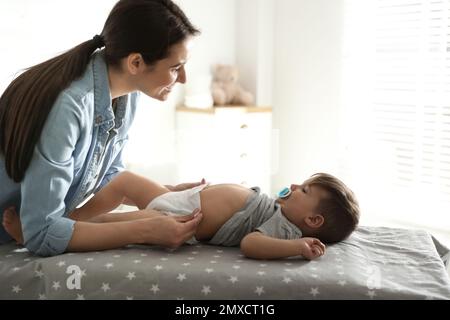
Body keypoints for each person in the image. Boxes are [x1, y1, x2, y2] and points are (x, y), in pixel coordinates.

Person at [0, 0, 205, 256]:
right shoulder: (69, 107)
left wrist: (164, 195)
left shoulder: (125, 93)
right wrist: (146, 231)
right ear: (136, 63)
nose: (184, 79)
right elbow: (42, 233)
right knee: (145, 221)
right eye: (175, 68)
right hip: (16, 232)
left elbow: (107, 175)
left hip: (30, 224)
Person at [4, 172, 360, 260]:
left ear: (313, 222)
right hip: (183, 200)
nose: (296, 185)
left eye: (306, 191)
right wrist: (182, 189)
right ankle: (61, 218)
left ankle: (36, 235)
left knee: (107, 226)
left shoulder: (284, 231)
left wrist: (297, 249)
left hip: (179, 220)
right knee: (123, 181)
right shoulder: (280, 208)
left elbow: (251, 244)